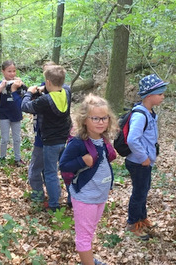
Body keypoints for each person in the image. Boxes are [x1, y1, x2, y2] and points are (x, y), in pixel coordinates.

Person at [59, 94, 118, 265]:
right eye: (95, 118)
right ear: (85, 120)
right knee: (84, 236)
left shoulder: (103, 139)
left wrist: (109, 183)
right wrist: (81, 161)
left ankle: (88, 260)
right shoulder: (79, 142)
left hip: (100, 195)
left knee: (90, 230)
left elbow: (104, 164)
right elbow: (63, 165)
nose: (101, 122)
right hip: (85, 196)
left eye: (104, 118)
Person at [21, 65, 72, 211]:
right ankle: (71, 198)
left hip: (50, 142)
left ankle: (54, 204)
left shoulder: (45, 101)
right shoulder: (66, 92)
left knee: (50, 172)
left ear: (48, 82)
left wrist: (29, 93)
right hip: (64, 139)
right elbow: (64, 86)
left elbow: (25, 106)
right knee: (66, 169)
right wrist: (43, 89)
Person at [124, 74, 168, 240]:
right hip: (138, 162)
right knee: (139, 193)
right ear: (149, 96)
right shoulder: (140, 115)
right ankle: (132, 223)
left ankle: (142, 218)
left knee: (143, 190)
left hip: (144, 162)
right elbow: (132, 139)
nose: (163, 97)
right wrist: (143, 157)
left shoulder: (149, 112)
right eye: (160, 94)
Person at [0, 60, 25, 166]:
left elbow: (25, 96)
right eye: (9, 71)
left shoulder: (18, 83)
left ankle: (18, 159)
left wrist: (20, 85)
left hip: (16, 113)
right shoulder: (0, 83)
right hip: (4, 114)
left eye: (14, 71)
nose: (12, 74)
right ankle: (2, 158)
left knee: (17, 138)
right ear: (3, 71)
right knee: (4, 139)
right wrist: (1, 87)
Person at [27, 61, 55, 202]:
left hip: (45, 137)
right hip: (50, 136)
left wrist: (28, 94)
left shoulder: (58, 92)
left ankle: (39, 197)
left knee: (36, 169)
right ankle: (52, 198)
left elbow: (27, 106)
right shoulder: (60, 91)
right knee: (49, 170)